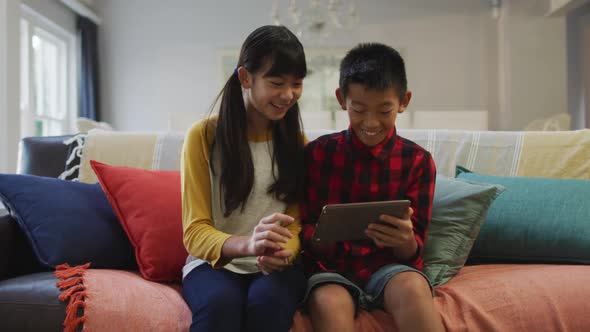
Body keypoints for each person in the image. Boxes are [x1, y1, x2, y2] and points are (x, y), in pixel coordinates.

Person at [300, 43, 445, 332]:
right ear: (342, 99)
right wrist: (319, 236)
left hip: (389, 268)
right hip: (331, 269)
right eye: (359, 109)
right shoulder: (317, 154)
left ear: (404, 101)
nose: (370, 122)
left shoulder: (417, 161)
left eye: (384, 110)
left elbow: (413, 251)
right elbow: (302, 226)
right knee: (328, 300)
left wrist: (406, 242)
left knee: (413, 288)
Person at [181, 25, 307, 332]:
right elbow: (194, 232)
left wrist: (285, 251)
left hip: (276, 266)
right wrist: (248, 245)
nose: (288, 95)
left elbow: (296, 223)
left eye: (297, 84)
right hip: (212, 264)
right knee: (220, 305)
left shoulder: (297, 143)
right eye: (276, 83)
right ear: (245, 78)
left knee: (268, 303)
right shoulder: (203, 137)